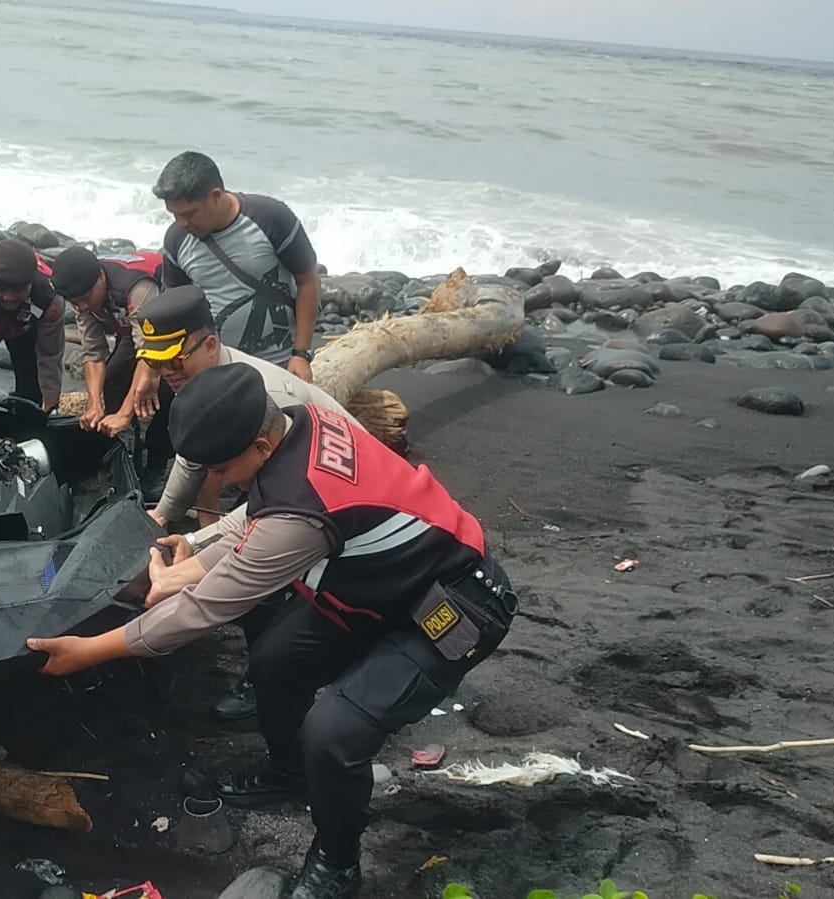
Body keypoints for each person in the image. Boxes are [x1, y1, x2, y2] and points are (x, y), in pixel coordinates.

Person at [27, 364, 516, 899]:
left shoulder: (302, 509)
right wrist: (185, 564)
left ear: (260, 445)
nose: (219, 478)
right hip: (378, 585)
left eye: (222, 467)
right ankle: (291, 772)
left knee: (334, 732)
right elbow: (255, 519)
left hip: (454, 605)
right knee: (274, 661)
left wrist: (89, 651)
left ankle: (336, 863)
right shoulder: (300, 421)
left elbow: (205, 608)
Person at [132, 284, 353, 721]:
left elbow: (275, 507)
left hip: (331, 497)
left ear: (210, 344)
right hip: (290, 488)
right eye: (156, 363)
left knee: (263, 586)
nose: (167, 372)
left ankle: (268, 680)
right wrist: (162, 515)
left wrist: (200, 543)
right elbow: (193, 454)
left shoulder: (267, 398)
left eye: (174, 360)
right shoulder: (205, 379)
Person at [153, 151, 321, 382]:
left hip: (280, 363)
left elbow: (308, 280)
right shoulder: (177, 239)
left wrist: (301, 354)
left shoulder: (271, 217)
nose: (182, 223)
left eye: (189, 214)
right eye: (174, 215)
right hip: (219, 368)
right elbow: (175, 308)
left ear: (215, 196)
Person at [49, 245, 164, 436]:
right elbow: (93, 352)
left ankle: (157, 448)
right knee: (113, 377)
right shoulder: (83, 300)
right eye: (75, 303)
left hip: (167, 326)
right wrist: (94, 403)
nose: (82, 307)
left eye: (86, 298)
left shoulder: (136, 287)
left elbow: (150, 353)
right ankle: (124, 436)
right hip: (130, 326)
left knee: (163, 389)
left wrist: (124, 413)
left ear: (102, 276)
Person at [0, 238, 64, 409]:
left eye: (18, 290)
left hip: (26, 327)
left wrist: (51, 405)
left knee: (32, 387)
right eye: (0, 289)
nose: (9, 298)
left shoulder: (49, 297)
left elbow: (50, 355)